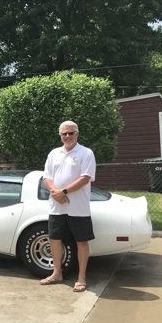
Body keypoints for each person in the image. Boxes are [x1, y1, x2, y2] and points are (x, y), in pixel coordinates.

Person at [39, 121, 96, 292]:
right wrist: (56, 192)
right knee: (54, 239)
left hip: (78, 208)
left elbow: (85, 178)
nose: (67, 136)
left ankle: (82, 277)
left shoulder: (86, 153)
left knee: (81, 242)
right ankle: (57, 273)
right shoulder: (53, 154)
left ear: (77, 134)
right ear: (60, 135)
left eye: (71, 133)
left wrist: (63, 191)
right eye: (64, 134)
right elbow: (46, 177)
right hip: (57, 207)